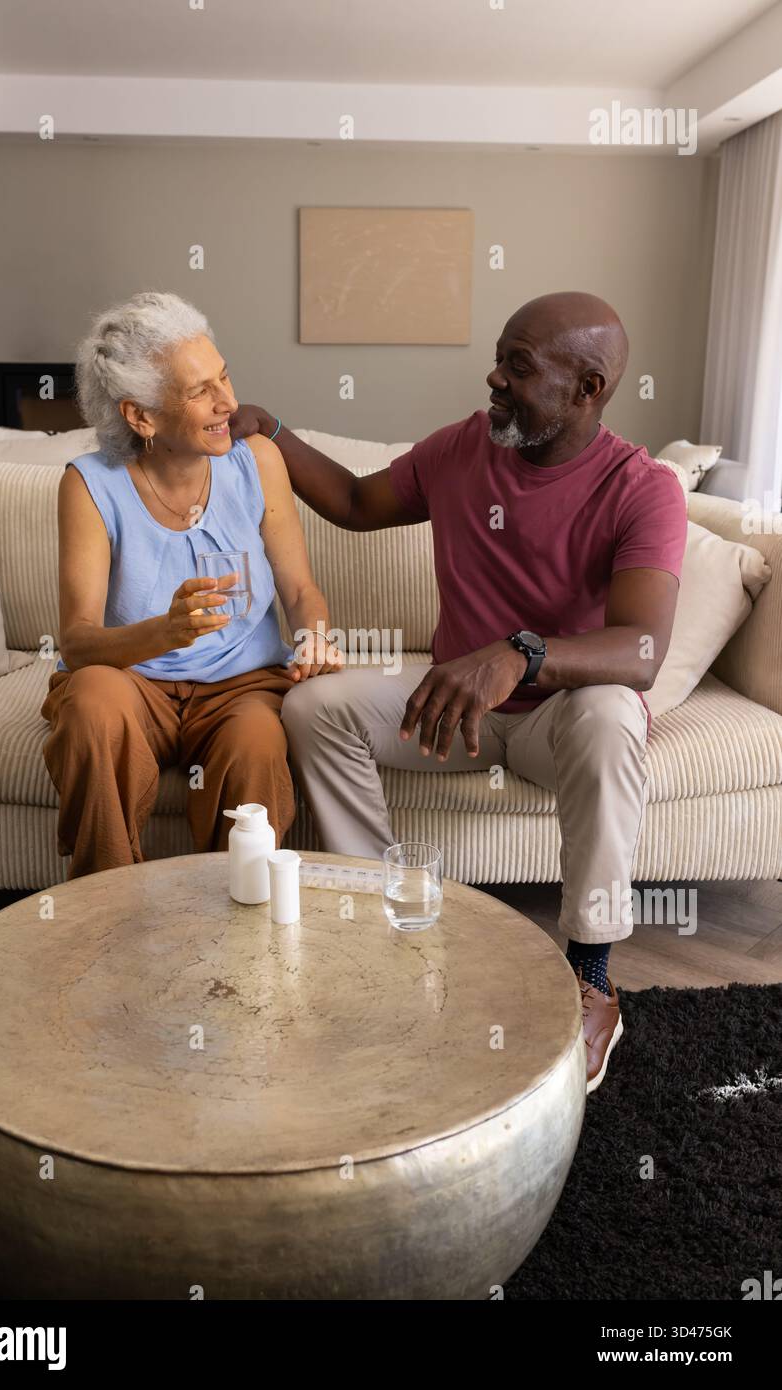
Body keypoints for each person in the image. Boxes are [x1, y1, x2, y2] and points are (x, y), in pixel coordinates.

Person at [230, 291, 687, 1093]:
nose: (494, 378)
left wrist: (519, 653)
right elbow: (353, 502)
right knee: (312, 706)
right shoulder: (463, 448)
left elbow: (640, 651)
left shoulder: (641, 487)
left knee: (615, 712)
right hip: (453, 715)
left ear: (587, 388)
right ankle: (382, 933)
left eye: (519, 366)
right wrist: (271, 431)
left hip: (556, 723)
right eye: (500, 357)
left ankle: (591, 976)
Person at [41, 291, 342, 879]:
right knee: (93, 705)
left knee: (256, 745)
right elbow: (77, 643)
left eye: (224, 377)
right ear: (141, 416)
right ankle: (107, 905)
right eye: (200, 391)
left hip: (242, 686)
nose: (228, 402)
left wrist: (314, 638)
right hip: (135, 683)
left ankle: (237, 919)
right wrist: (165, 632)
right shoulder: (89, 484)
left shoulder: (257, 460)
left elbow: (300, 589)